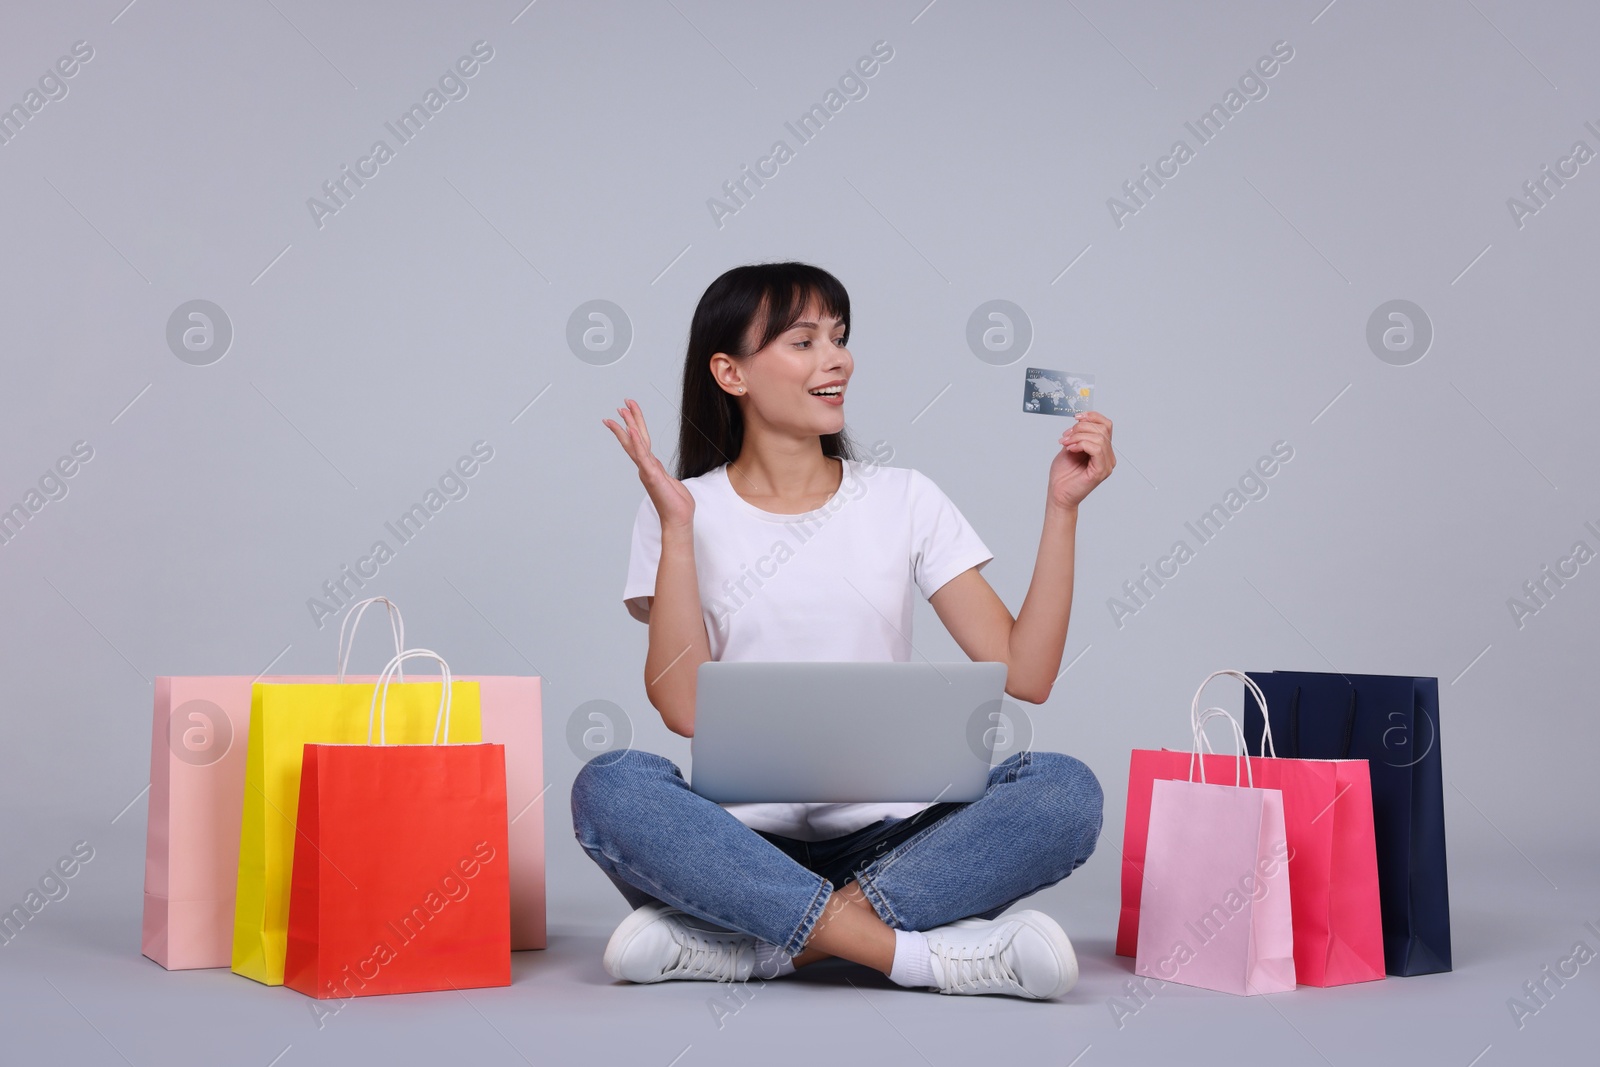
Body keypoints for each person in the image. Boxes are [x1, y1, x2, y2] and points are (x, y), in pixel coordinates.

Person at [573, 261, 1115, 1000]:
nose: (837, 359)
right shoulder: (681, 508)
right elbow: (682, 708)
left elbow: (1027, 672)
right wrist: (676, 530)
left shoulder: (903, 498)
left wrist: (1063, 508)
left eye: (839, 336)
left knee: (1062, 790)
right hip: (735, 847)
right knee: (611, 784)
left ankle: (758, 948)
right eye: (804, 341)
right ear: (731, 372)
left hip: (896, 843)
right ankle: (915, 956)